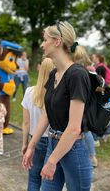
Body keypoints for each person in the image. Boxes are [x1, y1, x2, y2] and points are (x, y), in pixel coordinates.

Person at [22, 21, 92, 191]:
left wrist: (52, 161)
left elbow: (74, 129)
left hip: (73, 148)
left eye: (45, 39)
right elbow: (47, 114)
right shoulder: (54, 73)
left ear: (57, 41)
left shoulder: (77, 75)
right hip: (53, 144)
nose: (42, 44)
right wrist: (31, 146)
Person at [21, 58, 55, 191]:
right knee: (50, 181)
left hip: (35, 141)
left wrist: (25, 144)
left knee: (34, 178)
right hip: (53, 141)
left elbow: (25, 122)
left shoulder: (29, 92)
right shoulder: (56, 94)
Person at [73, 46, 98, 167]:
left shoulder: (87, 70)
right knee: (83, 128)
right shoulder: (81, 70)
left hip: (85, 103)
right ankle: (91, 155)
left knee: (84, 128)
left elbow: (98, 87)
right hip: (83, 101)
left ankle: (92, 156)